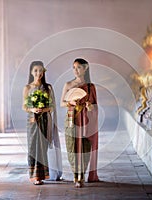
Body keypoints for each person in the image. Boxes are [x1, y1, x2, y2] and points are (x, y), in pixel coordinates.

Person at [60, 58, 100, 188]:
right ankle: (75, 175)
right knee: (72, 148)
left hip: (86, 122)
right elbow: (62, 103)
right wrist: (70, 103)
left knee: (84, 148)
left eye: (78, 67)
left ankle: (81, 176)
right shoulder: (68, 84)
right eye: (74, 67)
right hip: (72, 120)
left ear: (85, 68)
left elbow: (95, 106)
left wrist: (90, 106)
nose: (75, 70)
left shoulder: (90, 86)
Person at [22, 61, 62, 185]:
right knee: (32, 147)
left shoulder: (48, 87)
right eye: (35, 70)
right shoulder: (27, 88)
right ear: (31, 72)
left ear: (44, 72)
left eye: (40, 70)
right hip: (32, 121)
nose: (38, 73)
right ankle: (34, 176)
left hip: (45, 120)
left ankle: (43, 174)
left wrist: (43, 109)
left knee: (43, 147)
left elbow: (52, 106)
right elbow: (24, 106)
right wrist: (33, 109)